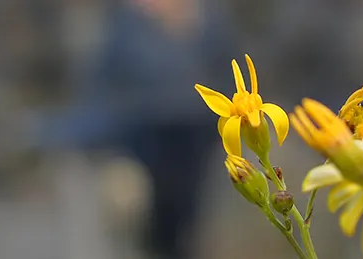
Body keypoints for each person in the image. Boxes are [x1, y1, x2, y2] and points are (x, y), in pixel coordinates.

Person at [44, 0, 237, 258]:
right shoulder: (125, 26)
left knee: (183, 225)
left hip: (194, 146)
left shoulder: (210, 22)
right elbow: (102, 91)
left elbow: (229, 80)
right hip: (141, 144)